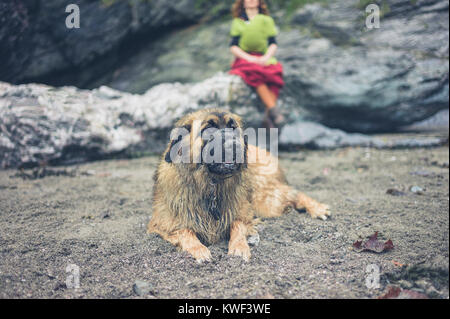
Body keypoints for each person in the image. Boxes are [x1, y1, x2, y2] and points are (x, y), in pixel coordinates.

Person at [229, 0, 285, 128]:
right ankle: (274, 112)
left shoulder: (267, 20)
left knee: (275, 74)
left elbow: (273, 42)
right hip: (245, 58)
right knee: (254, 72)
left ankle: (268, 117)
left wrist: (266, 57)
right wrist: (249, 58)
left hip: (263, 56)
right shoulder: (238, 21)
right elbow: (233, 46)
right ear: (242, 3)